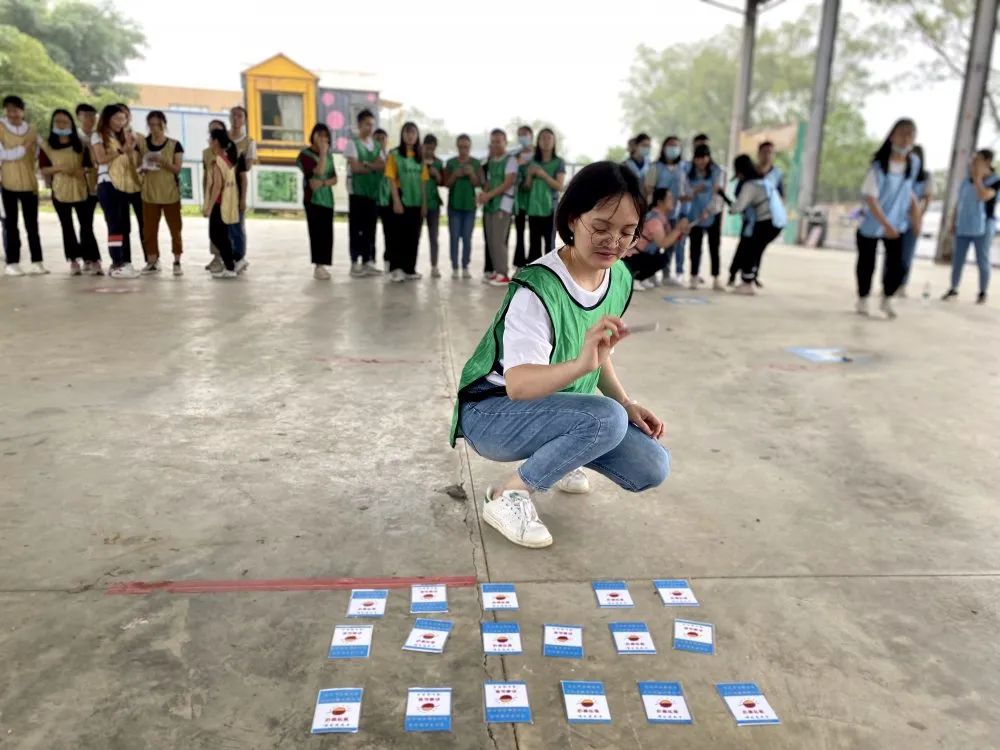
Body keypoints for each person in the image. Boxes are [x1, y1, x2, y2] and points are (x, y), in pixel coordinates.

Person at [450, 160, 670, 549]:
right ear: (571, 219)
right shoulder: (537, 289)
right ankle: (508, 495)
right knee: (606, 419)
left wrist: (626, 401)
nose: (613, 242)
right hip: (493, 413)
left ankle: (562, 455)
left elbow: (599, 353)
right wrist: (583, 366)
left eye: (627, 233)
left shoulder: (618, 276)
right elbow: (518, 386)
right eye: (600, 228)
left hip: (556, 407)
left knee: (652, 465)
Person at [855, 118, 920, 319]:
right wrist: (886, 224)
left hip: (898, 223)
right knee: (867, 263)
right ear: (892, 136)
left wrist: (915, 215)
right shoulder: (878, 166)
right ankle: (863, 298)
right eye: (902, 133)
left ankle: (887, 298)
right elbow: (871, 199)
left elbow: (907, 191)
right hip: (873, 223)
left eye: (910, 134)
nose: (906, 138)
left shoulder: (913, 164)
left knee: (897, 265)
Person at [39, 109, 100, 275]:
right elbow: (44, 169)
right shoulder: (47, 145)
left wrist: (83, 171)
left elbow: (90, 165)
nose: (61, 125)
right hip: (60, 189)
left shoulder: (80, 144)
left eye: (64, 122)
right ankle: (73, 260)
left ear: (71, 124)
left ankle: (94, 259)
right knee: (67, 226)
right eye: (57, 122)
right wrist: (59, 168)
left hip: (81, 189)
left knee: (86, 225)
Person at [941, 149, 999, 305]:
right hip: (964, 223)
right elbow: (959, 203)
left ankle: (982, 292)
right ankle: (953, 288)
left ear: (988, 162)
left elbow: (984, 196)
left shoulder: (995, 181)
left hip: (985, 226)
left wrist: (978, 178)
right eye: (973, 160)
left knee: (982, 259)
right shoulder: (966, 181)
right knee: (958, 258)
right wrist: (953, 221)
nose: (974, 163)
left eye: (978, 160)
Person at [91, 104, 142, 279]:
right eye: (117, 119)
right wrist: (121, 150)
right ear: (107, 119)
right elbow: (101, 158)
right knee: (114, 225)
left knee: (124, 225)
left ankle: (125, 262)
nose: (122, 122)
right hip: (107, 183)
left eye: (124, 119)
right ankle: (116, 263)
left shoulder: (122, 136)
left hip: (124, 184)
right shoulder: (97, 136)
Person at [727, 154, 787, 296]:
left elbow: (737, 207)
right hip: (777, 222)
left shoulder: (750, 185)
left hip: (765, 222)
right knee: (755, 250)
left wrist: (731, 208)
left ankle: (747, 284)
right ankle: (749, 280)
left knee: (750, 251)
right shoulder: (763, 181)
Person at [0, 95, 46, 275]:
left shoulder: (32, 130)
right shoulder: (1, 128)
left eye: (17, 109)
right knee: (11, 225)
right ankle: (12, 262)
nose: (13, 113)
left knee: (32, 225)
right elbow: (3, 155)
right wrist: (23, 148)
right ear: (5, 111)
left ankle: (37, 261)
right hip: (8, 183)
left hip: (29, 183)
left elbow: (38, 151)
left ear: (23, 111)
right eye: (9, 110)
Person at [137, 111, 185, 276]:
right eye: (151, 125)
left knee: (175, 229)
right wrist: (142, 168)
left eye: (158, 124)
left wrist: (163, 162)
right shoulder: (142, 144)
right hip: (149, 193)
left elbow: (177, 169)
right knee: (149, 230)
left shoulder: (174, 144)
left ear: (164, 124)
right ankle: (152, 261)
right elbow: (137, 166)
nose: (155, 128)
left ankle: (177, 260)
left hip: (170, 193)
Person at [384, 121, 428, 282]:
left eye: (413, 133)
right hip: (400, 201)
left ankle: (409, 269)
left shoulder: (420, 157)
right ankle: (396, 269)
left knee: (413, 237)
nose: (410, 136)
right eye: (407, 133)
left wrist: (424, 203)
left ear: (417, 136)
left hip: (416, 202)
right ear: (402, 135)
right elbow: (391, 179)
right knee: (397, 236)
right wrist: (396, 201)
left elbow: (424, 181)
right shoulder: (394, 154)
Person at [343, 109, 384, 277]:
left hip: (372, 193)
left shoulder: (376, 145)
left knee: (370, 228)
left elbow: (382, 165)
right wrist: (371, 165)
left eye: (372, 125)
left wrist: (366, 165)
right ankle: (355, 262)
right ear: (359, 124)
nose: (370, 128)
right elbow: (356, 168)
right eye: (367, 124)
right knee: (356, 228)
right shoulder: (352, 144)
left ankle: (368, 261)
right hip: (357, 192)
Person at [624, 187, 689, 291]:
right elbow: (663, 243)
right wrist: (678, 230)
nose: (673, 201)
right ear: (660, 202)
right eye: (669, 198)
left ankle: (641, 278)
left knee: (661, 256)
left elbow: (670, 237)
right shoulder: (655, 219)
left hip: (640, 254)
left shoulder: (661, 216)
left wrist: (681, 231)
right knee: (662, 259)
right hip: (631, 256)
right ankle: (636, 278)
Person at [478, 129, 519, 287]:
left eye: (498, 141)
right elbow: (488, 182)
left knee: (499, 240)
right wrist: (483, 194)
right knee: (491, 240)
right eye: (493, 141)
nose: (495, 144)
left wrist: (489, 195)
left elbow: (507, 183)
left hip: (503, 205)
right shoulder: (491, 161)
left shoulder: (510, 160)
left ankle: (503, 273)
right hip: (490, 205)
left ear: (505, 142)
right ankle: (496, 271)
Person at [297, 123, 338, 279]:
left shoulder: (330, 156)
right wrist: (322, 153)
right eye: (319, 135)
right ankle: (318, 266)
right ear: (312, 136)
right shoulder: (304, 155)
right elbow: (319, 171)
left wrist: (322, 183)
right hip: (312, 200)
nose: (322, 138)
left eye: (325, 135)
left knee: (327, 233)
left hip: (327, 199)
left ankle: (324, 264)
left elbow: (334, 179)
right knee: (316, 232)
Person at [648, 135, 689, 286]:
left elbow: (684, 191)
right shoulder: (656, 167)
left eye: (676, 146)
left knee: (671, 243)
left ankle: (666, 273)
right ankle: (649, 273)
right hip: (658, 212)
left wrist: (684, 211)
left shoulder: (682, 168)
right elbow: (649, 189)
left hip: (674, 212)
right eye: (670, 145)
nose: (673, 149)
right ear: (664, 148)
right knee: (653, 243)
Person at [686, 144, 726, 290]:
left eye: (704, 157)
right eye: (698, 158)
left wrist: (708, 211)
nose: (701, 161)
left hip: (713, 213)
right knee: (695, 247)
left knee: (714, 246)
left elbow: (718, 194)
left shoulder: (717, 171)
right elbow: (685, 192)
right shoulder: (689, 172)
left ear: (709, 158)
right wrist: (695, 191)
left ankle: (716, 277)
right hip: (695, 214)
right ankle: (694, 276)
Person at [523, 128, 566, 262]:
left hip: (550, 208)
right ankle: (533, 276)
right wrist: (529, 176)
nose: (546, 141)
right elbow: (526, 187)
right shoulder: (532, 162)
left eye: (549, 138)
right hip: (533, 207)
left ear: (554, 142)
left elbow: (559, 186)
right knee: (534, 244)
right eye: (543, 138)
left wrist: (543, 175)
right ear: (538, 141)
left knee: (549, 243)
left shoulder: (559, 162)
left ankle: (549, 275)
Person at [203, 129, 240, 279]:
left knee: (216, 236)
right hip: (227, 203)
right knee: (222, 235)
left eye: (210, 139)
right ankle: (232, 261)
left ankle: (231, 265)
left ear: (216, 141)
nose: (209, 143)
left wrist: (209, 207)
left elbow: (217, 186)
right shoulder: (226, 159)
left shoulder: (217, 160)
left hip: (219, 204)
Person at [114, 102, 147, 263]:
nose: (122, 119)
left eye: (125, 115)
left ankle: (151, 259)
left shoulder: (139, 138)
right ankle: (125, 261)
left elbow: (144, 161)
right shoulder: (111, 139)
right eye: (118, 116)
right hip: (118, 187)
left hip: (138, 186)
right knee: (122, 226)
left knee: (144, 224)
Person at [444, 134, 480, 279]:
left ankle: (465, 266)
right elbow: (445, 183)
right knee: (454, 238)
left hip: (470, 207)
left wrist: (471, 174)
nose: (463, 150)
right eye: (460, 147)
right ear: (457, 147)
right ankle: (454, 267)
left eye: (466, 147)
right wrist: (455, 175)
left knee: (466, 238)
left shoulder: (476, 163)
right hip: (454, 207)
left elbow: (479, 184)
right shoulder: (451, 163)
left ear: (469, 147)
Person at [899, 144, 932, 295]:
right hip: (897, 217)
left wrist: (918, 217)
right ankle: (887, 283)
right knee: (892, 253)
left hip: (914, 218)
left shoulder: (926, 177)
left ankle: (902, 285)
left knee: (907, 254)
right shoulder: (901, 173)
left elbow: (927, 198)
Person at [75, 103, 101, 274]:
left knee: (88, 223)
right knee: (85, 223)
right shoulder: (74, 137)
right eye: (86, 115)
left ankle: (91, 258)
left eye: (93, 115)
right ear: (79, 116)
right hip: (78, 185)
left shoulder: (99, 137)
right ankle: (91, 259)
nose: (90, 119)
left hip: (97, 184)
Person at [229, 105, 256, 264]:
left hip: (237, 186)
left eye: (239, 116)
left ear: (244, 120)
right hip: (221, 186)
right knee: (223, 224)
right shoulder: (222, 138)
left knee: (237, 224)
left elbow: (247, 167)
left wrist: (243, 198)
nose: (236, 119)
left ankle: (239, 257)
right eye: (233, 115)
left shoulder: (248, 142)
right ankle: (224, 256)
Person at [512, 125, 534, 269]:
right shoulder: (515, 155)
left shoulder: (538, 155)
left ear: (531, 135)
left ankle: (534, 262)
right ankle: (519, 263)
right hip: (519, 200)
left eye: (525, 134)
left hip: (534, 200)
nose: (522, 137)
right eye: (520, 135)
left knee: (534, 233)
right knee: (519, 232)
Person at [422, 134, 444, 278]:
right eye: (427, 148)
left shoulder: (439, 163)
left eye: (432, 148)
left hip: (434, 204)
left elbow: (443, 182)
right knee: (414, 236)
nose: (430, 151)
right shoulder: (417, 161)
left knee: (434, 237)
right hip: (418, 203)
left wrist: (437, 175)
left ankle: (434, 266)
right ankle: (410, 266)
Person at [373, 128, 393, 270]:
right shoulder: (369, 155)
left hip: (387, 198)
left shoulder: (391, 156)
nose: (380, 141)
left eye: (382, 138)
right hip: (372, 197)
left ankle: (388, 259)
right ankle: (370, 260)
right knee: (370, 231)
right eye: (377, 138)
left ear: (387, 140)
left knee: (389, 232)